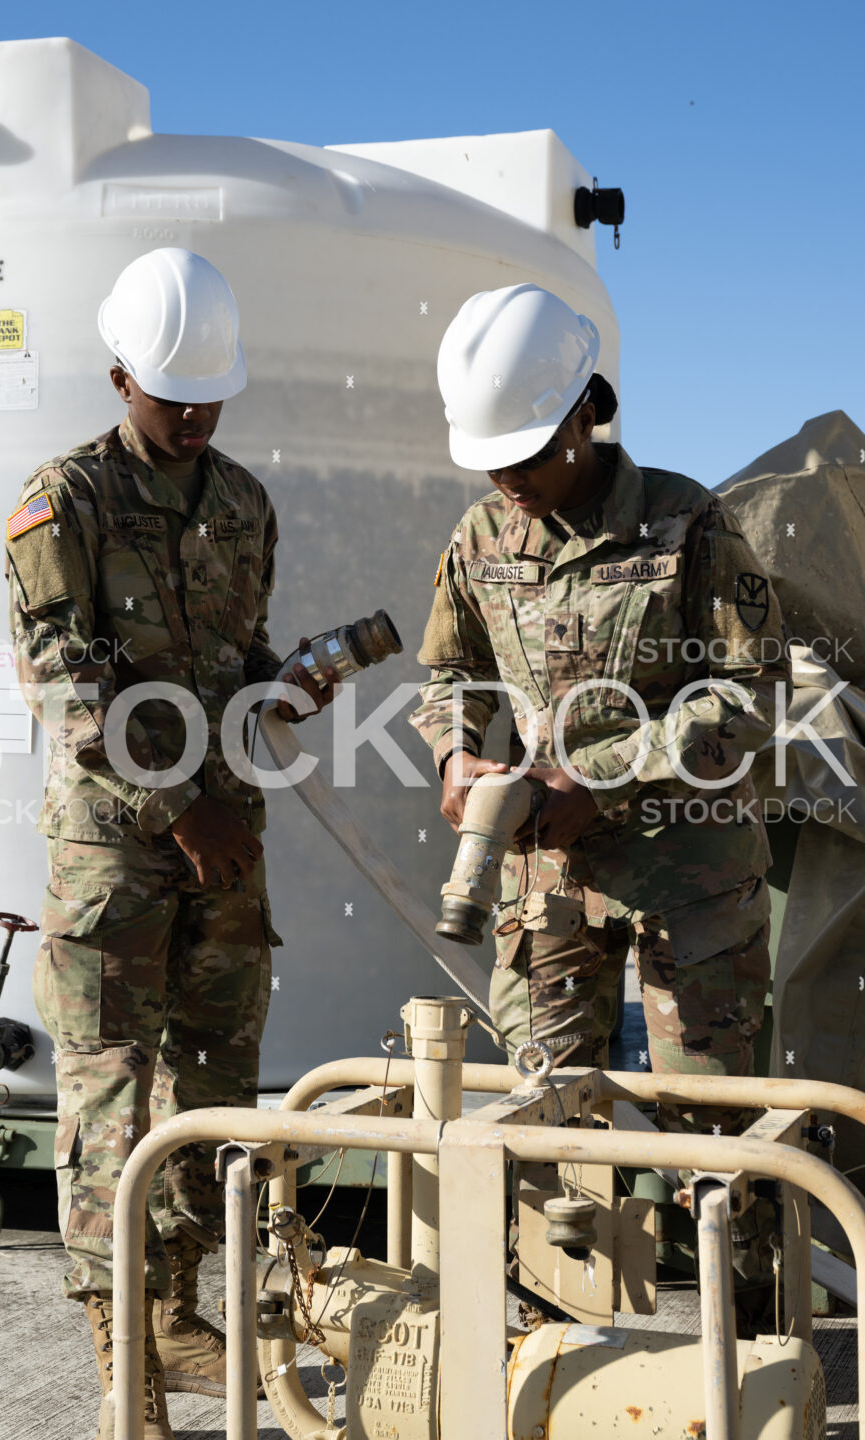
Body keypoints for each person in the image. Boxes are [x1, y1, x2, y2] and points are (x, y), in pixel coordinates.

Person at [410, 283, 792, 1322]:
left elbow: (752, 693)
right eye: (493, 463)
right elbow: (451, 677)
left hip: (689, 873)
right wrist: (456, 755)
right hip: (548, 882)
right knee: (542, 1123)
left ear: (586, 412)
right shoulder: (481, 538)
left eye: (529, 456)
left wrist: (607, 773)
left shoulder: (687, 521)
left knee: (712, 1132)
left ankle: (750, 1346)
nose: (510, 481)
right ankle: (556, 1349)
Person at [6, 248, 335, 1437]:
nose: (196, 419)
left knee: (211, 1087)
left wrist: (280, 685)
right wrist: (177, 807)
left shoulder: (243, 502)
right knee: (109, 1103)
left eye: (212, 398)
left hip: (223, 843)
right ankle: (120, 1361)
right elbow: (64, 684)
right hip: (119, 852)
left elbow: (236, 652)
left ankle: (175, 1315)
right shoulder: (65, 502)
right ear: (120, 381)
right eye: (173, 399)